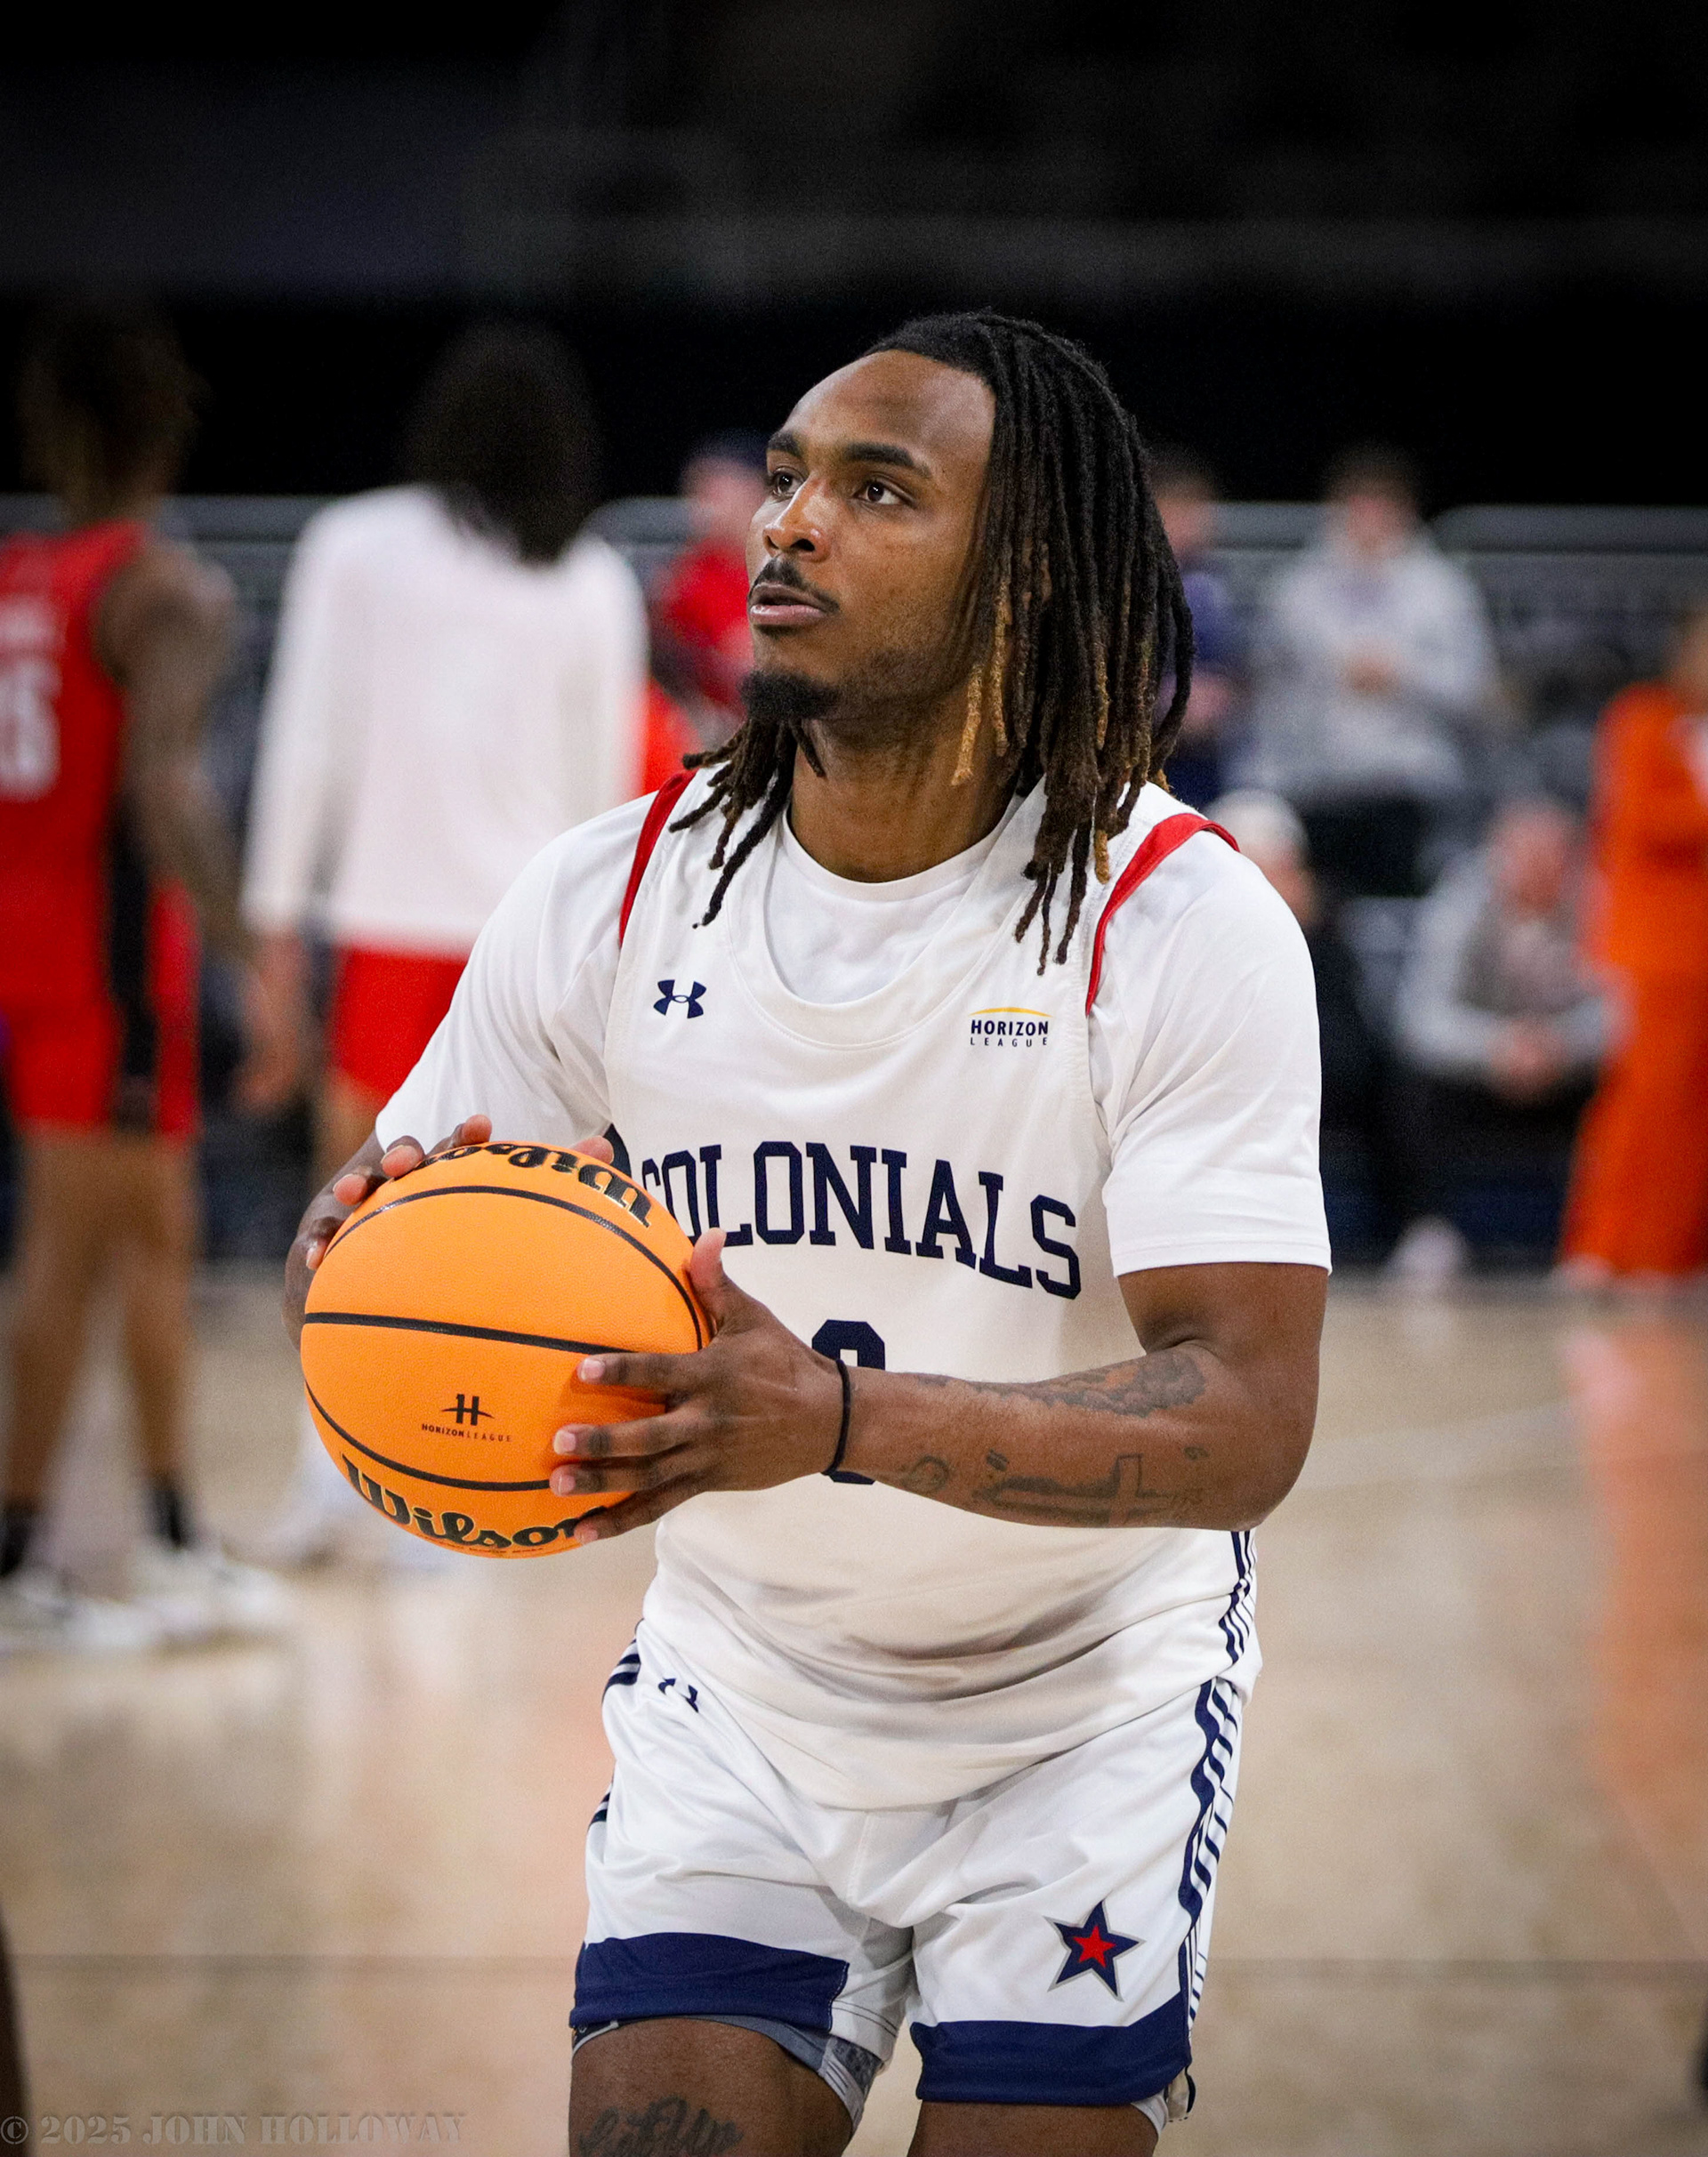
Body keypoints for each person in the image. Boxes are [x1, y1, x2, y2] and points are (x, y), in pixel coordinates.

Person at [286, 311, 1329, 2153]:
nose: (790, 524)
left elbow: (1245, 1417)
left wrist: (836, 1422)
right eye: (784, 478)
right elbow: (384, 1214)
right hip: (746, 1691)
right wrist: (360, 1260)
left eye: (878, 490)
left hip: (1080, 1704)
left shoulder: (1174, 923)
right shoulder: (610, 893)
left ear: (1028, 571)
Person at [242, 321, 649, 1560]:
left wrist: (274, 929)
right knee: (519, 1238)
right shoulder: (591, 577)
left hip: (385, 919)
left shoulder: (353, 545)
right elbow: (603, 802)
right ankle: (488, 1482)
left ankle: (338, 1476)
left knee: (350, 1214)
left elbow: (304, 747)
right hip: (530, 936)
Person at [0, 301, 288, 1652]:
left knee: (141, 1242)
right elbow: (167, 793)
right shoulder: (161, 589)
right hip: (112, 970)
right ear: (164, 431)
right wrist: (253, 958)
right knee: (78, 1258)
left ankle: (166, 1536)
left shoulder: (25, 579)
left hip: (42, 955)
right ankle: (33, 1562)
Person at [1246, 446, 1499, 897]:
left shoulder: (1443, 591)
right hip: (1316, 786)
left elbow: (1473, 687)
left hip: (1406, 786)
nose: (1369, 521)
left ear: (1404, 512)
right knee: (1315, 908)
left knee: (1394, 905)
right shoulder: (1297, 589)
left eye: (1381, 507)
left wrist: (1402, 675)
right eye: (1358, 506)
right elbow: (1267, 682)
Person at [1390, 798, 1607, 1284]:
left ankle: (1598, 1241)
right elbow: (1423, 1015)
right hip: (1480, 1074)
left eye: (1551, 857)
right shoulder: (1460, 903)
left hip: (1568, 1073)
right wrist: (1499, 1046)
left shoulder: (1600, 903)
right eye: (1523, 856)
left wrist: (1559, 1045)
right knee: (1408, 1086)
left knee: (1641, 1087)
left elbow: (1621, 1009)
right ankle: (1430, 1229)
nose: (1537, 871)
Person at [1560, 602, 1708, 1286]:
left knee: (1694, 1112)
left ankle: (1672, 1253)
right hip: (1653, 950)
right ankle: (1604, 1247)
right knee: (1641, 1104)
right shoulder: (1643, 719)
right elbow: (1645, 817)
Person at [1209, 790, 1401, 1257]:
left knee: (1400, 1082)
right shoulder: (1201, 932)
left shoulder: (1325, 928)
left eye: (1285, 869)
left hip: (1321, 1066)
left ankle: (1415, 1229)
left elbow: (1348, 1030)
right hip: (1230, 1073)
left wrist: (1303, 930)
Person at [651, 430, 770, 745]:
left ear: (756, 493)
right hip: (715, 732)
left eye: (716, 490)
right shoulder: (685, 579)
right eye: (697, 490)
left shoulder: (790, 565)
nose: (703, 504)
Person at [1148, 449, 1242, 810]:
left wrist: (1227, 696)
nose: (1192, 525)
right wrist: (1166, 703)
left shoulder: (1216, 585)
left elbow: (1241, 666)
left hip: (1209, 762)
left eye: (1198, 513)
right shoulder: (1125, 588)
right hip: (1147, 758)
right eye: (1179, 512)